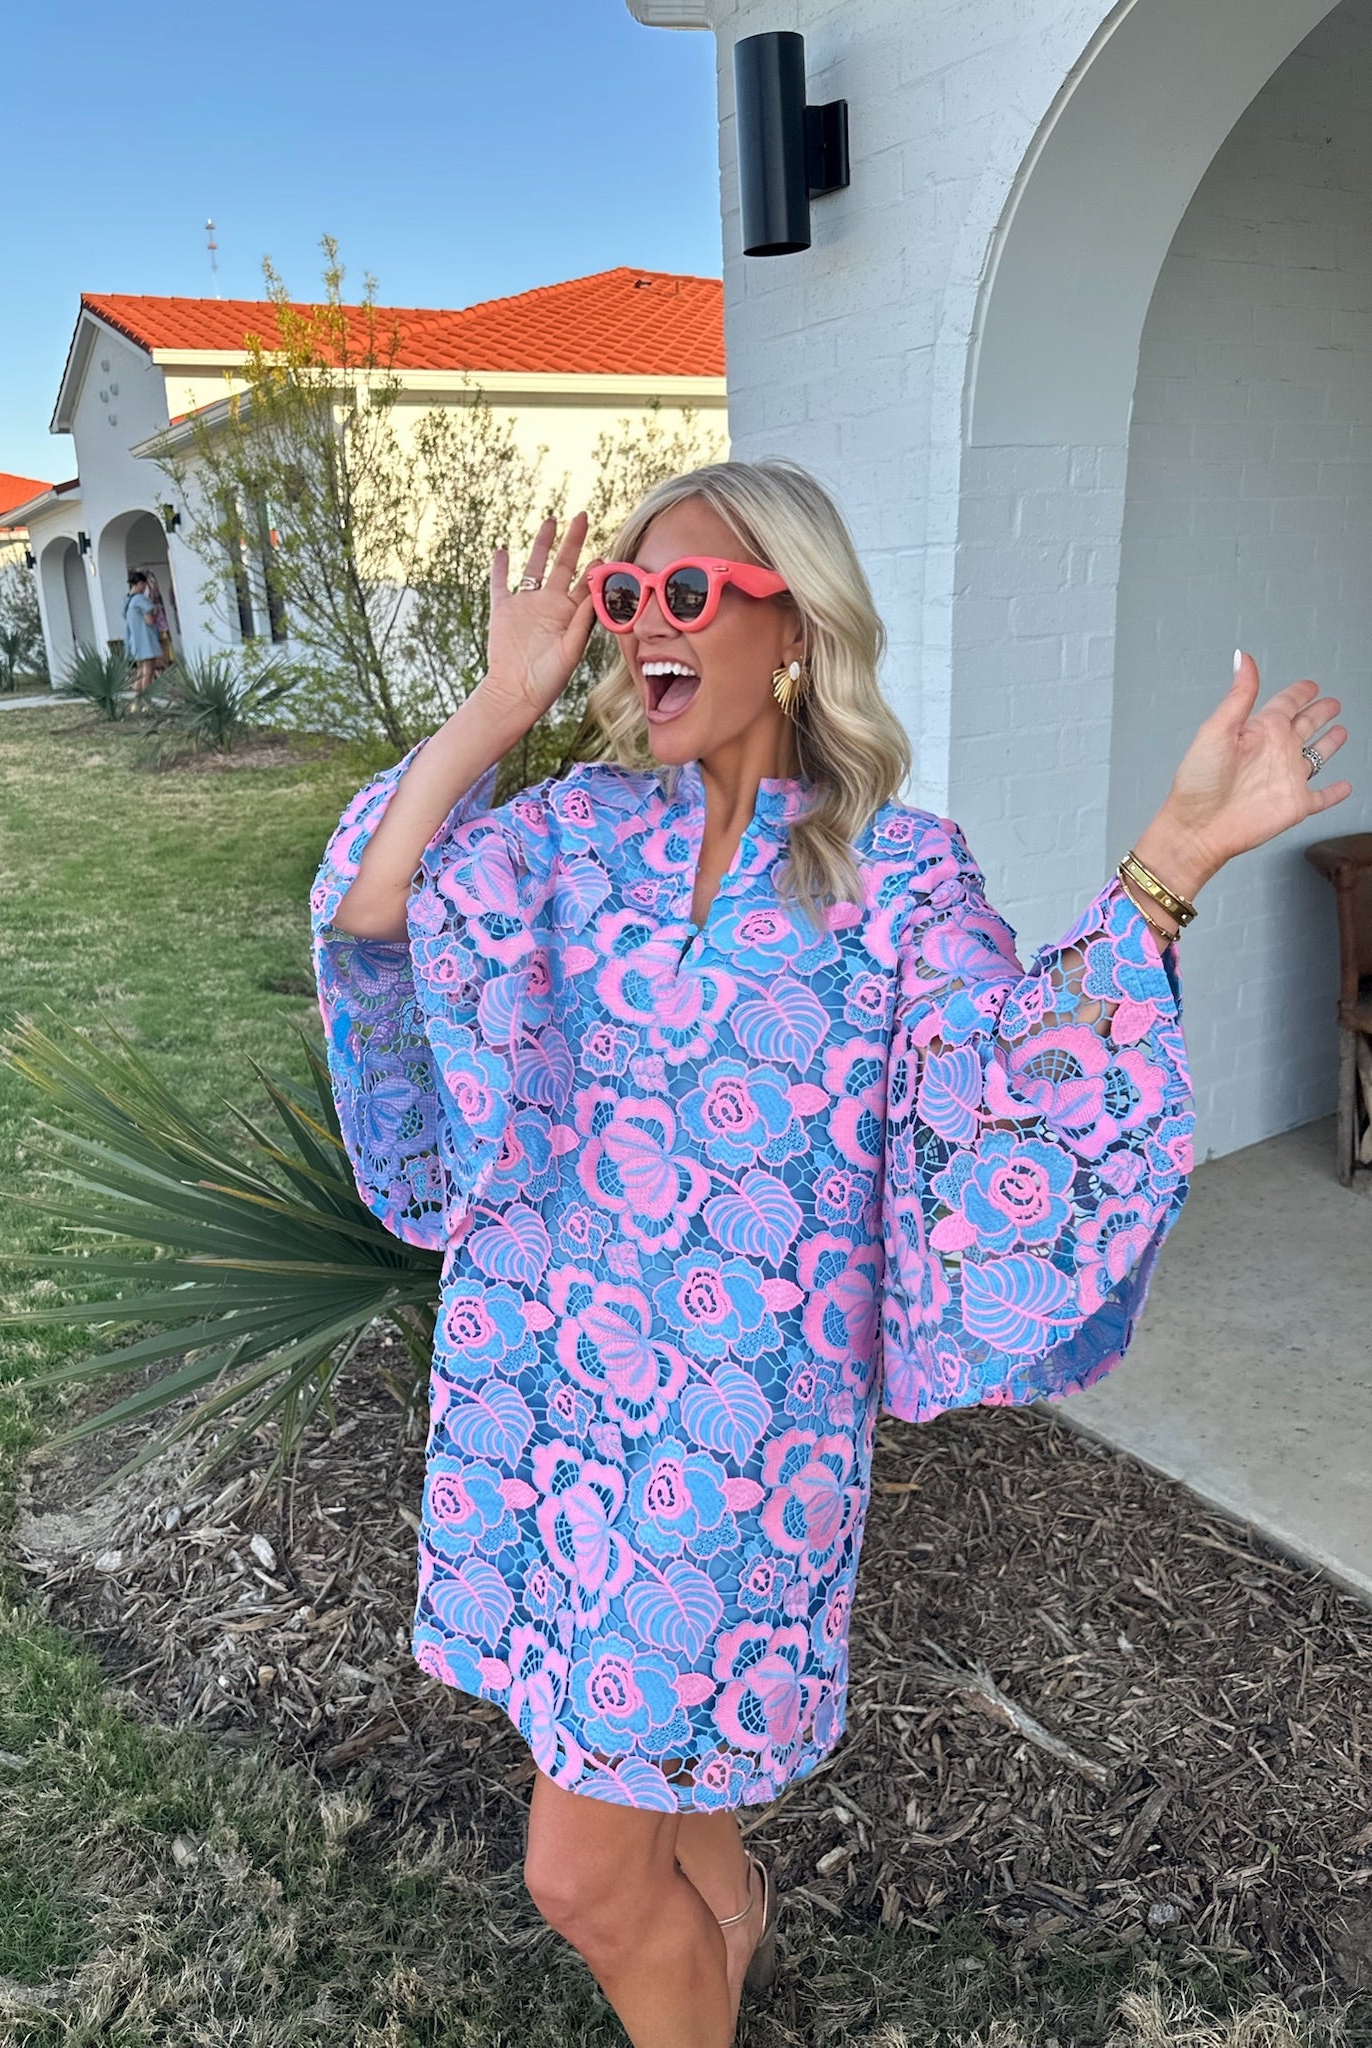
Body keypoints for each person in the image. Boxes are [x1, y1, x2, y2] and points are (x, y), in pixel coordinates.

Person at [311, 460, 1350, 2048]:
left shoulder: (898, 878)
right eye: (623, 597)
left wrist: (1172, 862)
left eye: (686, 593)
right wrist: (496, 712)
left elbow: (1008, 1087)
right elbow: (376, 917)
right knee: (657, 1796)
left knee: (582, 1879)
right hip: (540, 1399)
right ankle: (728, 1931)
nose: (642, 626)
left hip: (732, 1452)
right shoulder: (571, 837)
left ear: (793, 626)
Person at [122, 570, 162, 705]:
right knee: (148, 672)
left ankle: (135, 702)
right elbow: (149, 621)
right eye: (144, 585)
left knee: (140, 672)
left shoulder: (127, 601)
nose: (145, 588)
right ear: (139, 584)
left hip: (134, 641)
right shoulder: (140, 600)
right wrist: (155, 614)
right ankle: (147, 701)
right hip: (146, 640)